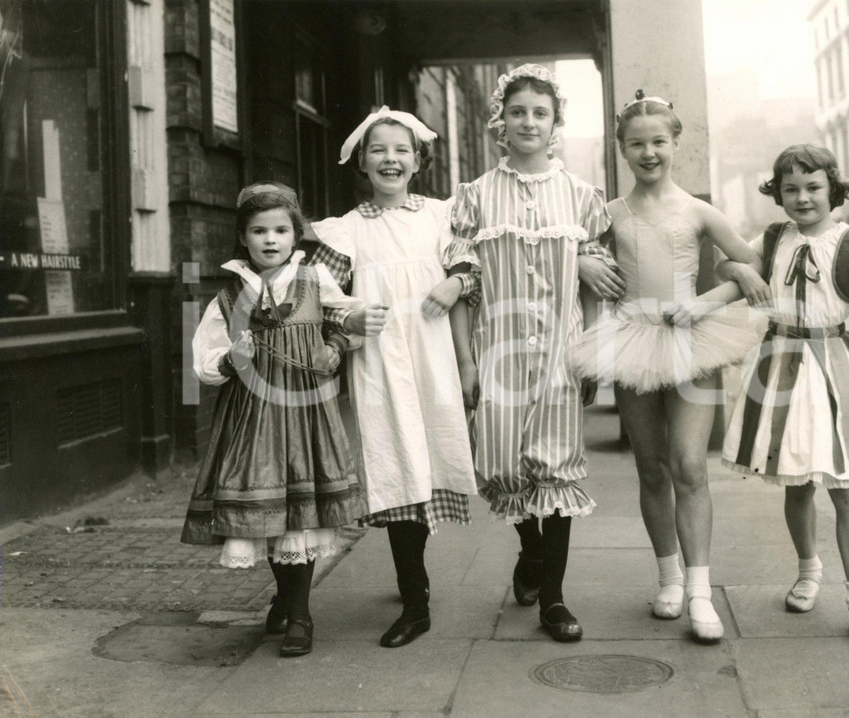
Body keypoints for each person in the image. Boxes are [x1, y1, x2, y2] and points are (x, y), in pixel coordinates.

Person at [569, 91, 767, 642]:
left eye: (659, 141)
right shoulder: (608, 214)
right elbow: (575, 266)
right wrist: (581, 261)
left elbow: (753, 265)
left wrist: (714, 294)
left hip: (690, 340)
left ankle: (701, 591)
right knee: (652, 468)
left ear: (676, 143)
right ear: (622, 150)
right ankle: (670, 579)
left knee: (690, 466)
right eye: (637, 144)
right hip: (631, 340)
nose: (649, 152)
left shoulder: (699, 211)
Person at [445, 64, 608, 643]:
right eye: (518, 112)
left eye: (541, 113)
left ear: (555, 121)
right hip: (498, 352)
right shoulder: (475, 197)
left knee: (557, 469)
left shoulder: (582, 196)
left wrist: (594, 351)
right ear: (501, 119)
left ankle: (554, 599)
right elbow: (463, 284)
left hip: (562, 352)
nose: (529, 122)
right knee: (501, 465)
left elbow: (597, 285)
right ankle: (531, 551)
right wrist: (466, 362)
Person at [714, 144, 849, 639]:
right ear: (778, 194)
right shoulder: (774, 239)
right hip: (781, 369)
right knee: (797, 483)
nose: (802, 198)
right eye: (791, 189)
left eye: (813, 187)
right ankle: (808, 571)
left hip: (836, 369)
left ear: (832, 189)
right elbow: (726, 267)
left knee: (848, 489)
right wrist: (740, 270)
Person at [311, 107, 479, 648]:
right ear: (362, 162)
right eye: (378, 150)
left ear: (418, 160)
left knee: (431, 457)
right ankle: (415, 599)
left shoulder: (439, 216)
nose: (390, 158)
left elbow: (470, 267)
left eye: (401, 149)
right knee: (396, 461)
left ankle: (419, 579)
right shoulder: (348, 230)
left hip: (433, 357)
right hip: (381, 362)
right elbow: (319, 296)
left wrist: (455, 285)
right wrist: (348, 319)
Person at [182, 181, 369, 658]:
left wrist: (333, 348)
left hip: (306, 412)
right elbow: (204, 362)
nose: (270, 239)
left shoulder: (314, 280)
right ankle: (286, 597)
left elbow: (346, 322)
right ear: (242, 237)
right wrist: (233, 358)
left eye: (281, 230)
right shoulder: (227, 296)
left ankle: (299, 613)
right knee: (267, 510)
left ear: (295, 235)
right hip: (252, 415)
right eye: (259, 230)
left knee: (301, 509)